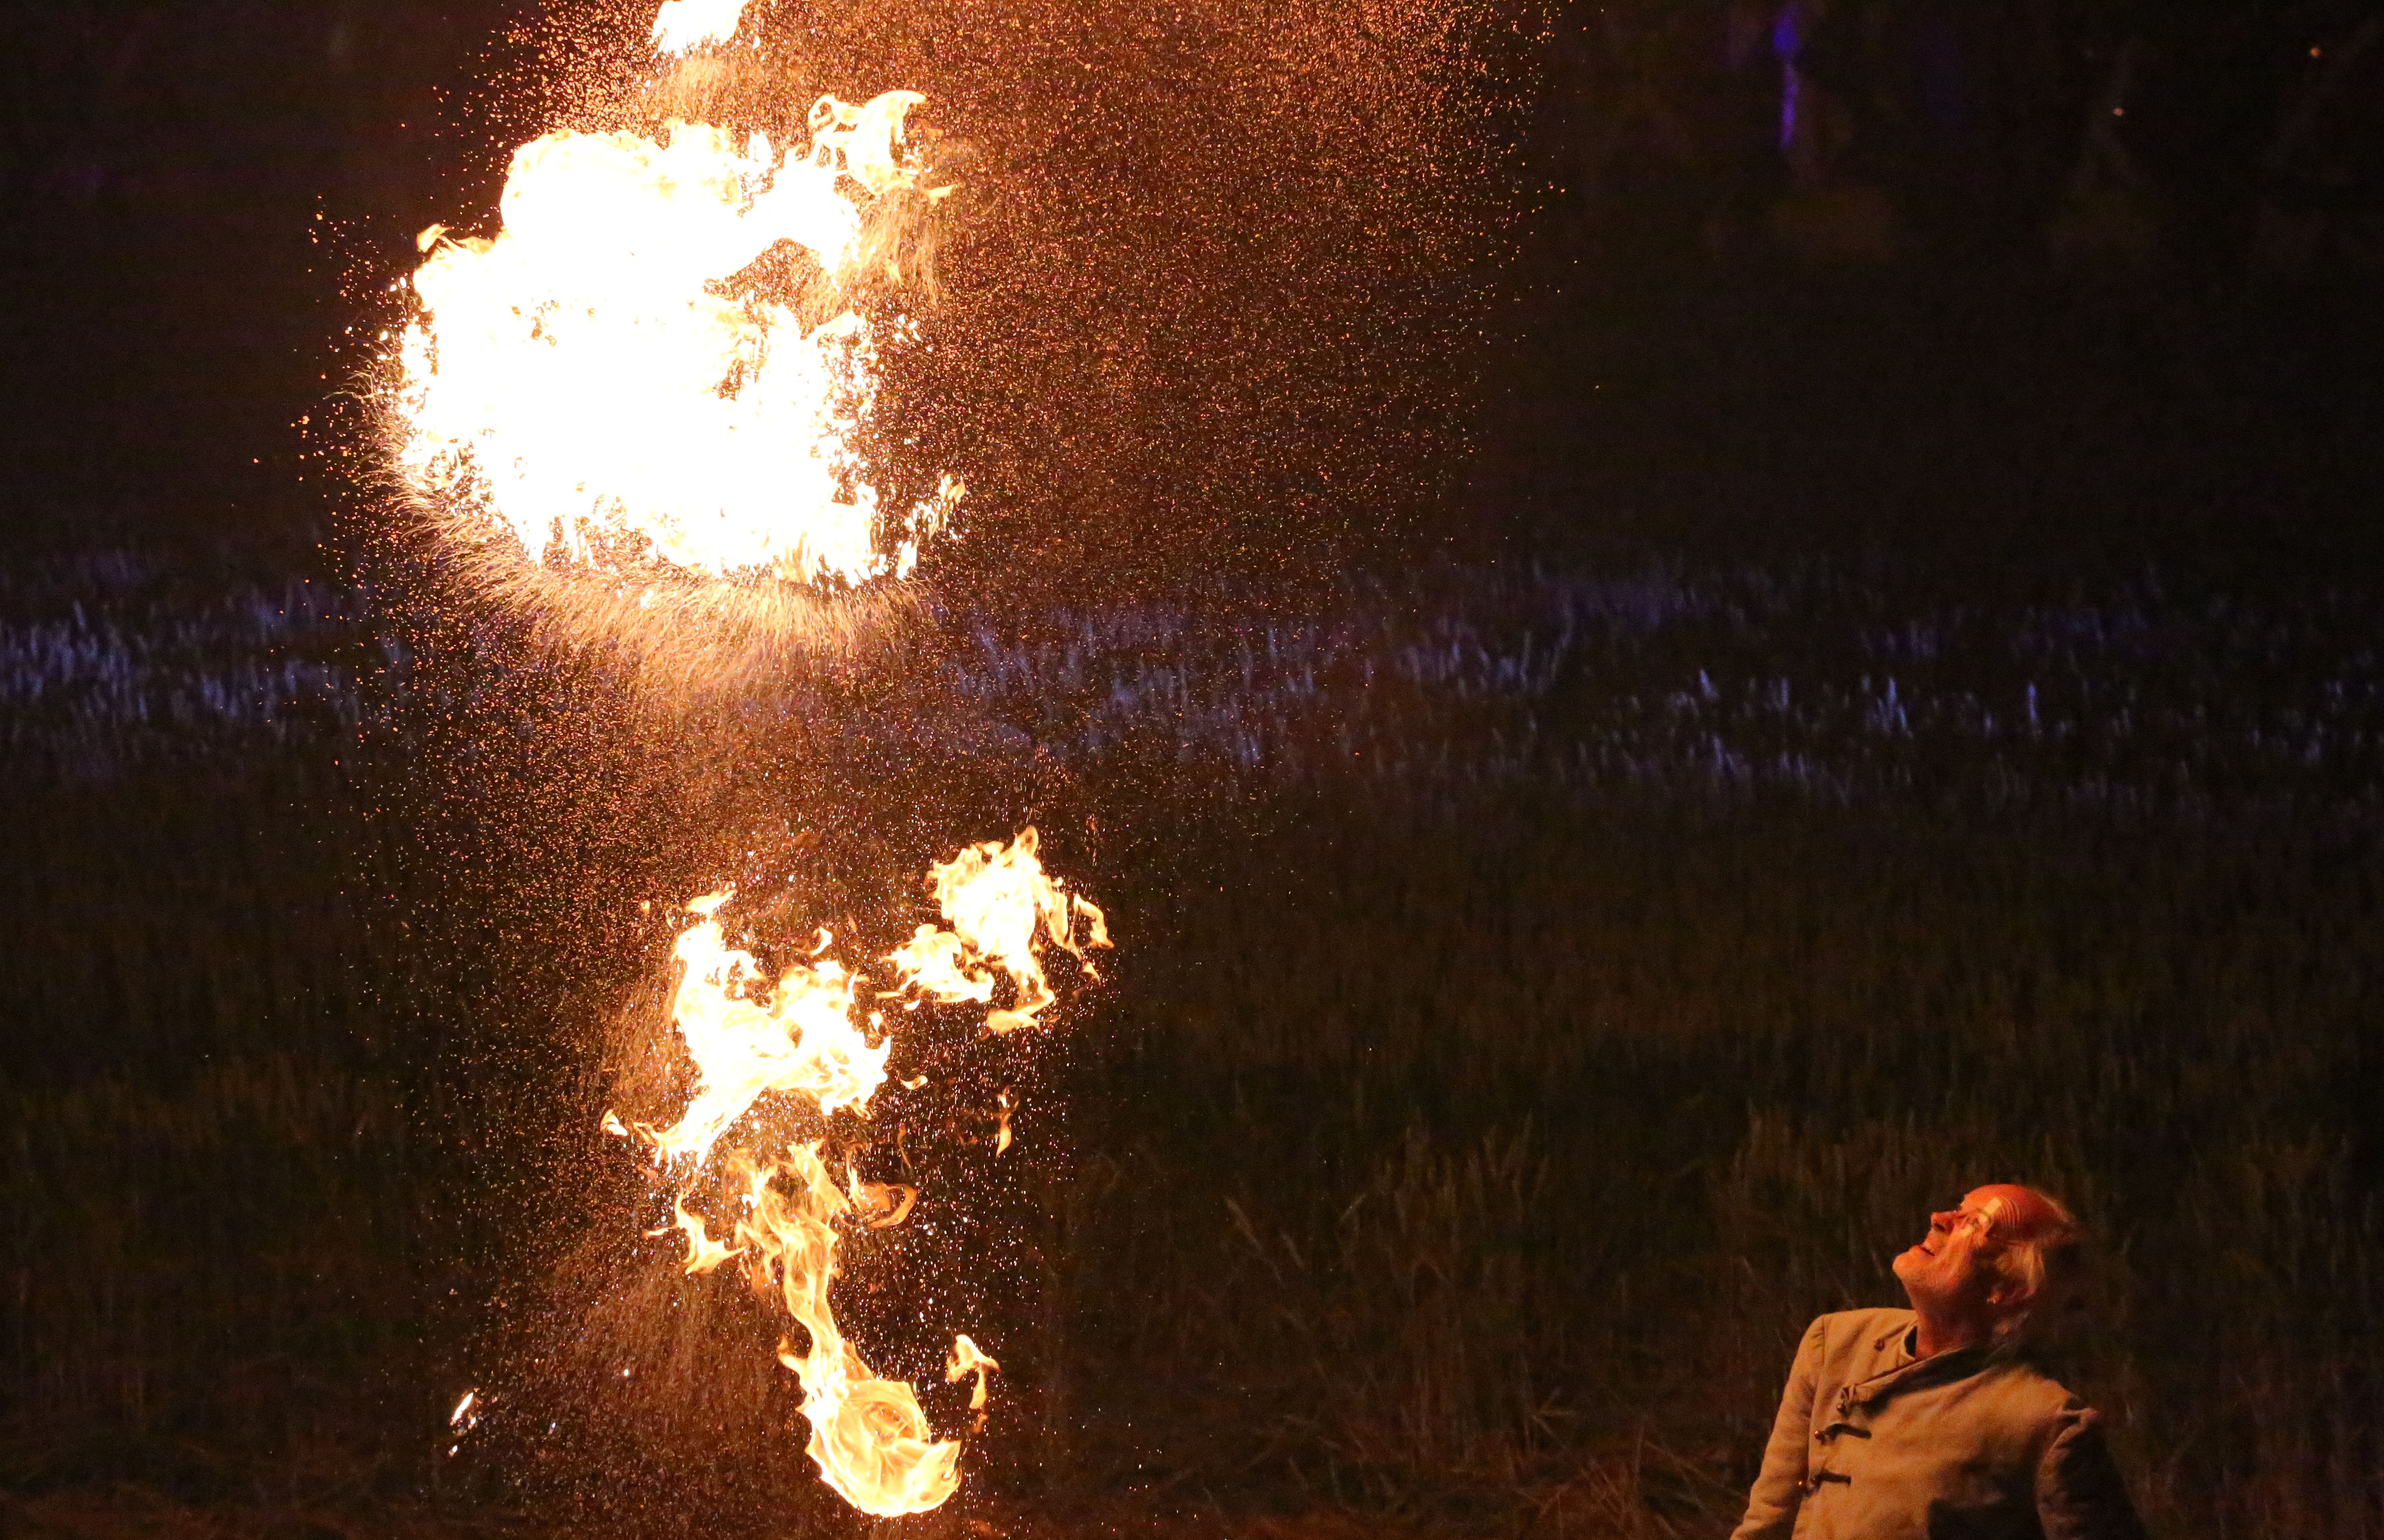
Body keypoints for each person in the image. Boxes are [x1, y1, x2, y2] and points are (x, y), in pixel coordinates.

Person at [1730, 1184, 2146, 1540]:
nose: (1939, 1218)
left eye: (1975, 1224)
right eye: (1958, 1208)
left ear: (2006, 1288)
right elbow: (1767, 1521)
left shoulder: (2045, 1423)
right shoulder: (1835, 1343)